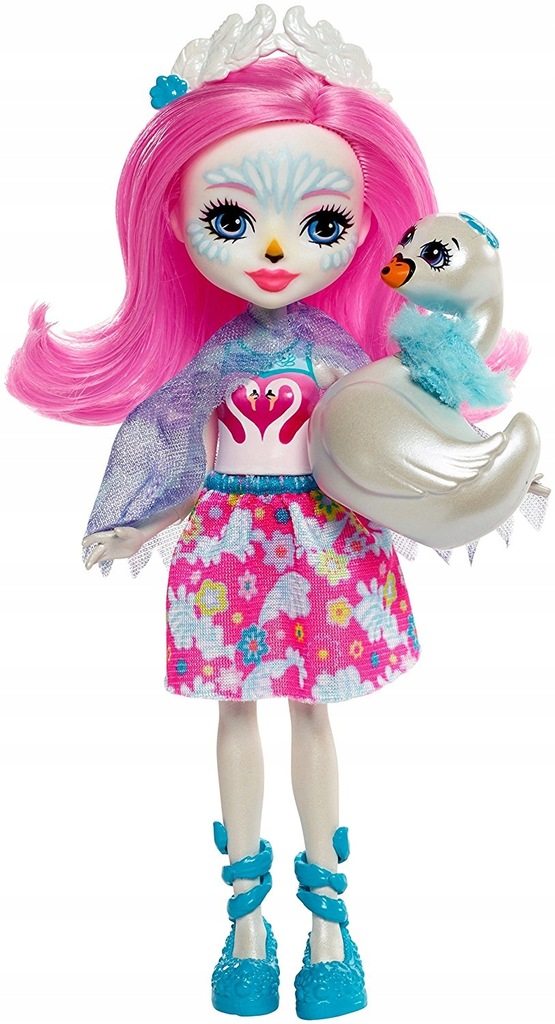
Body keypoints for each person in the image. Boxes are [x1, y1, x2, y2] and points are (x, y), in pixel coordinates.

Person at [9, 6, 525, 1019]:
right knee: (236, 713)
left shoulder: (343, 358)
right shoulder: (212, 361)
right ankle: (246, 920)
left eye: (322, 225)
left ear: (363, 227)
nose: (278, 250)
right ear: (177, 221)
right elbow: (171, 444)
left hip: (323, 546)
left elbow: (403, 427)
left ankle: (329, 921)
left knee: (312, 715)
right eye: (232, 219)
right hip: (228, 548)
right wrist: (138, 521)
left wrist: (477, 477)